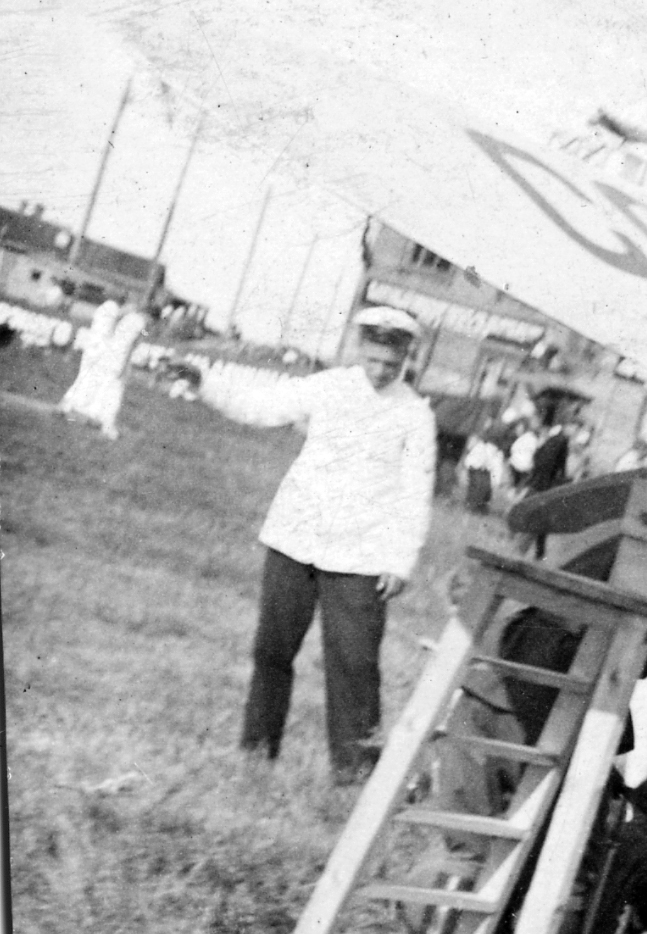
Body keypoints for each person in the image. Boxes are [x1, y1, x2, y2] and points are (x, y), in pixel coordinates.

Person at [204, 305, 436, 781]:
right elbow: (262, 406)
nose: (380, 371)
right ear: (358, 349)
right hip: (295, 538)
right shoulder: (329, 387)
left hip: (361, 556)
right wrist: (204, 382)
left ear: (406, 360)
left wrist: (400, 559)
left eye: (391, 364)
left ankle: (354, 771)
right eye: (373, 360)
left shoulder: (414, 413)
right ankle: (257, 749)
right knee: (272, 651)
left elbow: (417, 492)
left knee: (355, 663)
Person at [57, 298, 147, 439]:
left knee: (92, 380)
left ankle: (71, 406)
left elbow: (115, 328)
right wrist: (125, 366)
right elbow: (131, 344)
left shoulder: (119, 314)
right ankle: (105, 423)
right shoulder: (136, 321)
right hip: (114, 357)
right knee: (113, 388)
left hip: (103, 352)